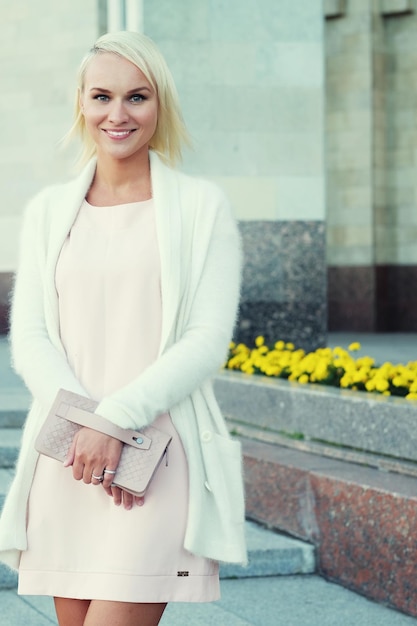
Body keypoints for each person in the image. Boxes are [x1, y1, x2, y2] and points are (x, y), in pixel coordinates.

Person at [0, 31, 246, 626]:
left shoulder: (201, 209)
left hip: (151, 463)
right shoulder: (47, 213)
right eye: (101, 96)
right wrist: (87, 422)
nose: (118, 114)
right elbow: (30, 333)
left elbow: (206, 340)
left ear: (160, 105)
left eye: (137, 97)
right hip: (72, 463)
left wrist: (113, 420)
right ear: (80, 104)